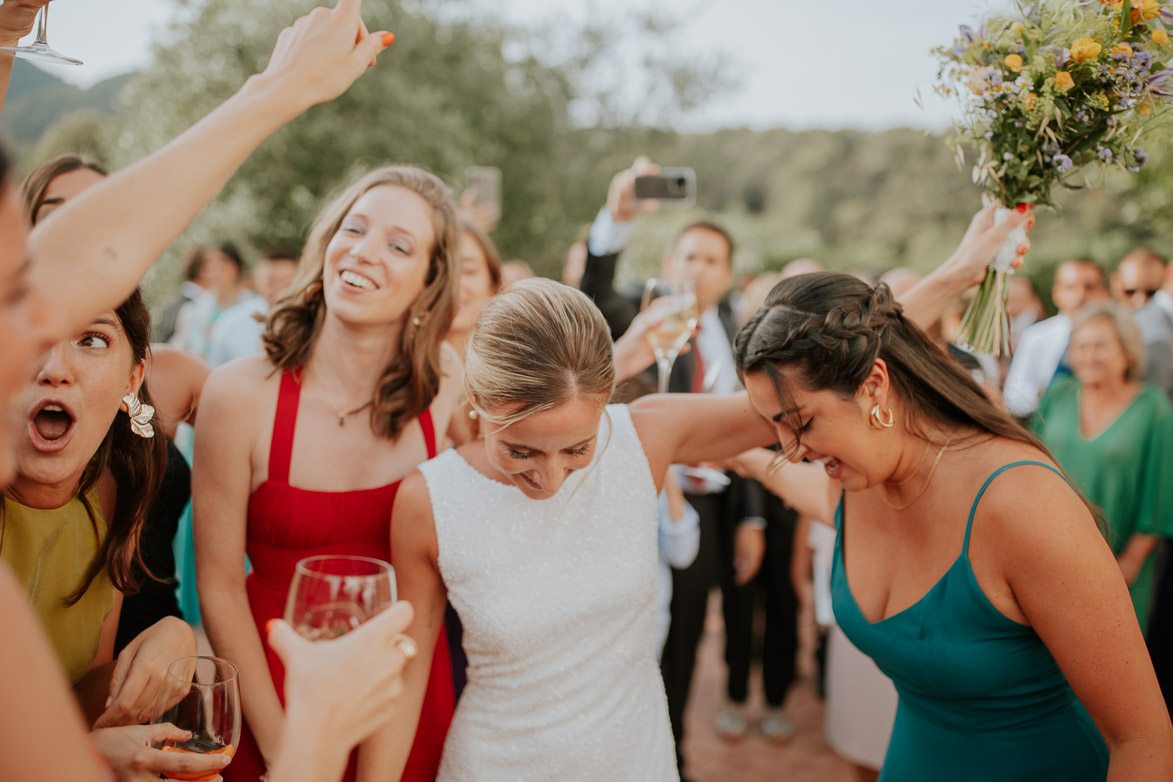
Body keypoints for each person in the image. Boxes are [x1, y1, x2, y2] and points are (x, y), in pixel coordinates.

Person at [0, 2, 409, 778]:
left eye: (92, 336)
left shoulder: (131, 471)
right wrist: (319, 728)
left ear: (134, 375)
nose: (52, 359)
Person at [733, 269, 1173, 778]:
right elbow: (814, 496)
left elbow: (1142, 738)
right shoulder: (861, 479)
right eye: (775, 429)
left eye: (802, 423)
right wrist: (743, 460)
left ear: (874, 383)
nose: (790, 452)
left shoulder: (1021, 505)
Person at [382, 278, 776, 781]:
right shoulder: (428, 500)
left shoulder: (643, 437)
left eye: (577, 449)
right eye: (520, 451)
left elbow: (795, 403)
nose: (549, 479)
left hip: (637, 761)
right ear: (477, 398)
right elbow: (407, 676)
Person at [195, 165, 462, 782]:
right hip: (274, 691)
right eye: (355, 228)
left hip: (405, 694)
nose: (364, 252)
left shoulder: (445, 380)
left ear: (430, 282)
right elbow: (219, 587)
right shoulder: (239, 394)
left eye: (399, 245)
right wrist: (291, 750)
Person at [578, 157, 767, 775]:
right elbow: (595, 296)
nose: (698, 268)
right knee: (630, 635)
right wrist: (618, 219)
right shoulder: (646, 311)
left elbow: (755, 422)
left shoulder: (744, 333)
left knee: (685, 639)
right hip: (643, 500)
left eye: (712, 260)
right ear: (669, 265)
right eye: (689, 256)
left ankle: (671, 756)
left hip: (713, 508)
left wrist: (753, 519)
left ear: (729, 273)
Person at [20, 153, 198, 655]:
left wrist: (178, 637)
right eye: (58, 214)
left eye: (98, 210)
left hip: (142, 662)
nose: (77, 228)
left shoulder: (173, 371)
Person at [1031, 303, 1173, 636]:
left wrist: (1131, 563)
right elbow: (1031, 466)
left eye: (1100, 346)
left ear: (1127, 352)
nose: (1089, 355)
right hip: (1048, 554)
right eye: (1081, 346)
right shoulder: (1058, 395)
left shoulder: (1154, 408)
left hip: (1118, 564)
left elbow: (1161, 491)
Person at [1003, 259, 1109, 418]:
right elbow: (1013, 396)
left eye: (1089, 287)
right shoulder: (1035, 336)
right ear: (1056, 293)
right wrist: (1044, 393)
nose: (1080, 295)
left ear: (1104, 292)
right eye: (1070, 287)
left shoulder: (1117, 339)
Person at [207, 246, 300, 367]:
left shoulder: (310, 321)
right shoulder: (230, 321)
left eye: (286, 282)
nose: (279, 289)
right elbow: (214, 368)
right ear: (256, 278)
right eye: (271, 281)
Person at [171, 243, 262, 361]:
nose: (215, 273)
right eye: (210, 268)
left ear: (236, 267)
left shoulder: (256, 307)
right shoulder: (196, 309)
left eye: (221, 266)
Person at [156, 247, 218, 344]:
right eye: (213, 268)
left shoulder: (175, 303)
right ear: (202, 270)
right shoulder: (189, 306)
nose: (217, 273)